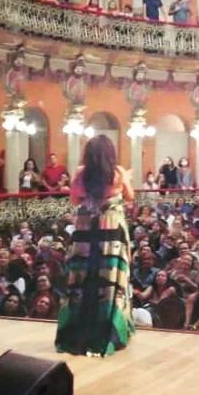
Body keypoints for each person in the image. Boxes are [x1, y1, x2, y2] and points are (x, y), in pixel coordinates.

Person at [55, 135, 136, 355]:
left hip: (85, 229)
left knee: (83, 278)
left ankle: (78, 331)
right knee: (110, 279)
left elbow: (74, 199)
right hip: (111, 228)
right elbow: (130, 197)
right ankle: (109, 331)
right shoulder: (118, 172)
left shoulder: (82, 173)